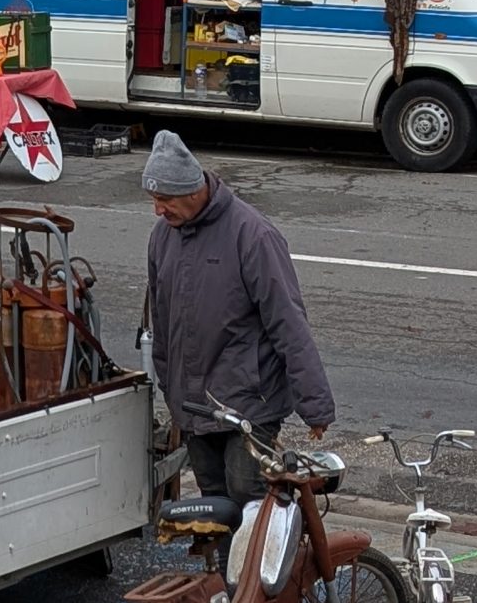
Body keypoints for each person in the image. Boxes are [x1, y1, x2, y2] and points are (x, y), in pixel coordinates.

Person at [141, 129, 334, 514]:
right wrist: (171, 391)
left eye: (165, 200)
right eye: (154, 200)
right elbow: (160, 321)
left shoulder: (252, 235)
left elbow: (289, 323)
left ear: (192, 191)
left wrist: (315, 406)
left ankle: (274, 554)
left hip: (249, 405)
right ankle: (225, 559)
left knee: (248, 497)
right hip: (194, 407)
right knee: (213, 506)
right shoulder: (162, 237)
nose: (157, 210)